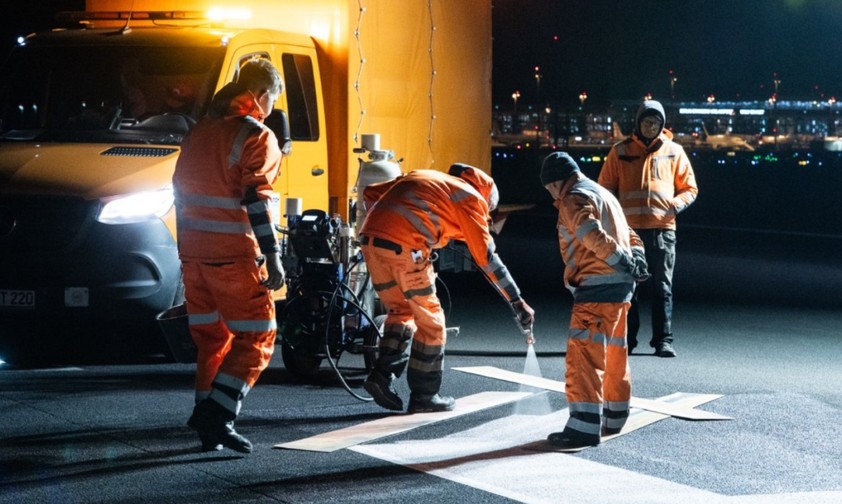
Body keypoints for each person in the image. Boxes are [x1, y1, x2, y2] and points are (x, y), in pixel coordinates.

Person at [173, 58, 285, 453]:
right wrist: (272, 255)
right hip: (234, 255)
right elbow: (255, 200)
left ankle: (208, 427)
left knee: (212, 341)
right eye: (272, 98)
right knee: (257, 335)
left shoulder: (200, 130)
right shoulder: (255, 136)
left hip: (193, 254)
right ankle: (217, 416)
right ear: (261, 95)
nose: (271, 107)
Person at [360, 165, 535, 413]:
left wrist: (387, 229)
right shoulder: (471, 198)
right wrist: (516, 300)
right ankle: (424, 396)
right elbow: (486, 257)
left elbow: (370, 193)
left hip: (371, 244)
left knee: (401, 311)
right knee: (431, 323)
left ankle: (381, 375)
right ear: (486, 198)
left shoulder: (428, 179)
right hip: (406, 248)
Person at [540, 151, 649, 450]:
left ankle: (583, 428)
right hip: (622, 289)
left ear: (556, 182)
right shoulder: (604, 194)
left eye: (550, 188)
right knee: (615, 352)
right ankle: (614, 417)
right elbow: (631, 235)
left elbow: (590, 233)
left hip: (596, 286)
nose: (552, 195)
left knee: (584, 357)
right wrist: (635, 261)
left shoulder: (573, 197)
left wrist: (621, 260)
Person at [597, 99, 698, 358]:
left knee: (662, 287)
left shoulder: (675, 151)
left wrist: (675, 205)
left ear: (662, 125)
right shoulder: (619, 151)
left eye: (655, 123)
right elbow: (604, 187)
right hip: (628, 232)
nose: (651, 126)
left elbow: (690, 188)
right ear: (638, 123)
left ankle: (663, 340)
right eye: (646, 121)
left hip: (663, 229)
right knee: (628, 287)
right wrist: (612, 216)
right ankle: (626, 341)